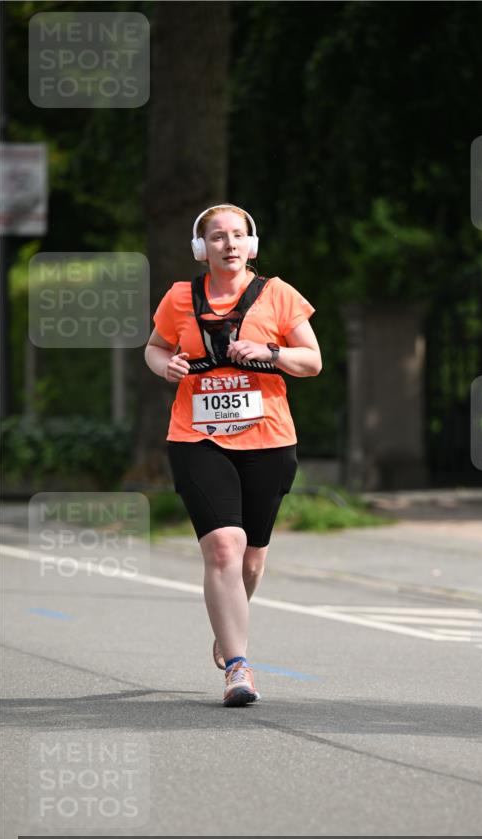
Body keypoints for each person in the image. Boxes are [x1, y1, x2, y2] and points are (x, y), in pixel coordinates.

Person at [144, 203, 322, 706]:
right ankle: (238, 668)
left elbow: (312, 361)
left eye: (238, 235)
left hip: (269, 439)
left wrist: (269, 354)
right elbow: (153, 347)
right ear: (202, 249)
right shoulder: (180, 298)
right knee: (223, 545)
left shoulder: (278, 295)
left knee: (250, 560)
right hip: (197, 436)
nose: (229, 244)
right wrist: (166, 367)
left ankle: (227, 629)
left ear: (252, 243)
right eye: (217, 237)